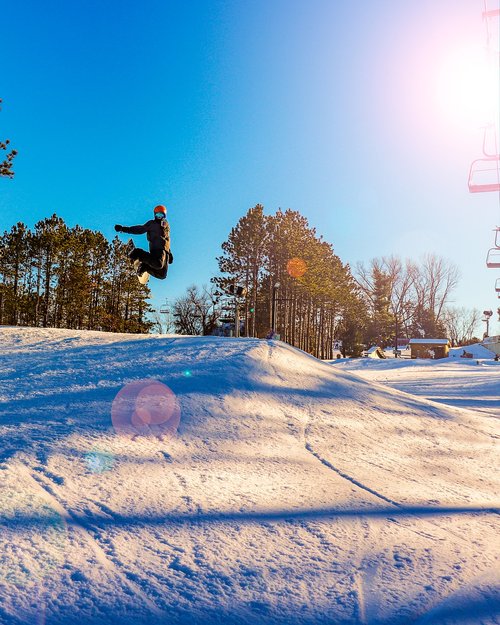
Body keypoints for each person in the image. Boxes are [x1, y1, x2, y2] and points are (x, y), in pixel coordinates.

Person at [114, 205, 173, 279]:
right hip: (156, 248)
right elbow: (140, 229)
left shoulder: (166, 226)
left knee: (162, 275)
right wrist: (123, 229)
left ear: (164, 215)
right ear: (154, 215)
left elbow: (167, 239)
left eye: (161, 215)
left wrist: (169, 253)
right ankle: (137, 252)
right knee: (158, 264)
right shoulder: (152, 223)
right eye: (157, 215)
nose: (159, 217)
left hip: (165, 252)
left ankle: (145, 267)